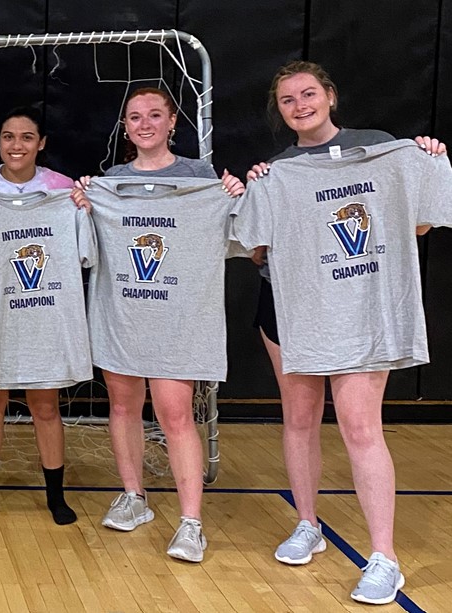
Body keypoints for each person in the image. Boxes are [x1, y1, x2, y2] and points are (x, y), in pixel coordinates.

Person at [242, 60, 446, 605]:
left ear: (329, 95)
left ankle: (385, 558)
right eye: (287, 100)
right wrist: (254, 190)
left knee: (360, 425)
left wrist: (424, 159)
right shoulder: (278, 169)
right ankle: (307, 523)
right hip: (287, 304)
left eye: (308, 94)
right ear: (279, 111)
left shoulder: (381, 147)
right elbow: (256, 250)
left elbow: (419, 223)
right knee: (299, 417)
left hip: (357, 305)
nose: (300, 105)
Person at [72, 87, 244, 563]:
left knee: (175, 415)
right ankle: (134, 497)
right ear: (125, 126)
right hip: (122, 315)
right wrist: (86, 202)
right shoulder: (110, 182)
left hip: (178, 320)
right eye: (134, 117)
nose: (144, 124)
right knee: (123, 406)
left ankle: (192, 523)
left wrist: (231, 195)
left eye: (154, 115)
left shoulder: (201, 178)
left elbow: (235, 236)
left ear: (172, 122)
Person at [0, 107, 79, 524]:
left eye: (27, 137)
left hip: (44, 317)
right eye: (9, 136)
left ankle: (55, 496)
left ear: (41, 143)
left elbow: (84, 249)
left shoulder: (62, 191)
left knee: (45, 405)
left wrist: (83, 205)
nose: (17, 145)